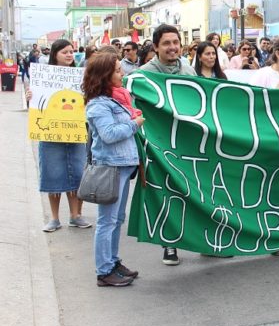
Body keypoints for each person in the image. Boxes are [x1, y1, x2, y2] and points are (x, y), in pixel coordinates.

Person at [82, 53, 145, 287]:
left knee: (117, 219)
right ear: (105, 75)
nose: (122, 74)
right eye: (118, 70)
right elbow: (109, 135)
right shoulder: (98, 104)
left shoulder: (115, 99)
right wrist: (134, 124)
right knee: (107, 221)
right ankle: (104, 270)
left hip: (123, 166)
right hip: (111, 167)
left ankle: (113, 261)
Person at [139, 24, 196, 265]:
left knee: (197, 193)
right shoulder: (143, 75)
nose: (172, 47)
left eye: (175, 42)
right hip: (159, 146)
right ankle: (169, 244)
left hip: (188, 144)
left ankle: (209, 242)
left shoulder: (188, 71)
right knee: (167, 193)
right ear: (155, 47)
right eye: (166, 43)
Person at [25, 39, 90, 232]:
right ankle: (54, 218)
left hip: (75, 133)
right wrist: (31, 97)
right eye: (65, 52)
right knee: (53, 174)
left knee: (78, 174)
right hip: (51, 135)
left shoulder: (81, 77)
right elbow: (37, 106)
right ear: (55, 54)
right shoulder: (43, 76)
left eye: (71, 52)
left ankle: (75, 215)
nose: (70, 55)